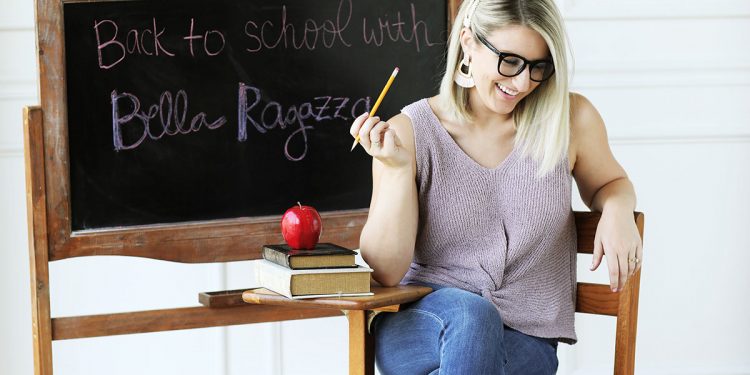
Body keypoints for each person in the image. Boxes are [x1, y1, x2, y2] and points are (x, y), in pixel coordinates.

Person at [349, 0, 643, 374]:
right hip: (422, 326)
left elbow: (611, 183)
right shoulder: (410, 132)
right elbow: (385, 272)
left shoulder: (570, 121)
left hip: (527, 341)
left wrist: (617, 209)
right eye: (510, 61)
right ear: (469, 43)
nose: (522, 82)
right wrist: (395, 169)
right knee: (473, 316)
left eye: (539, 67)